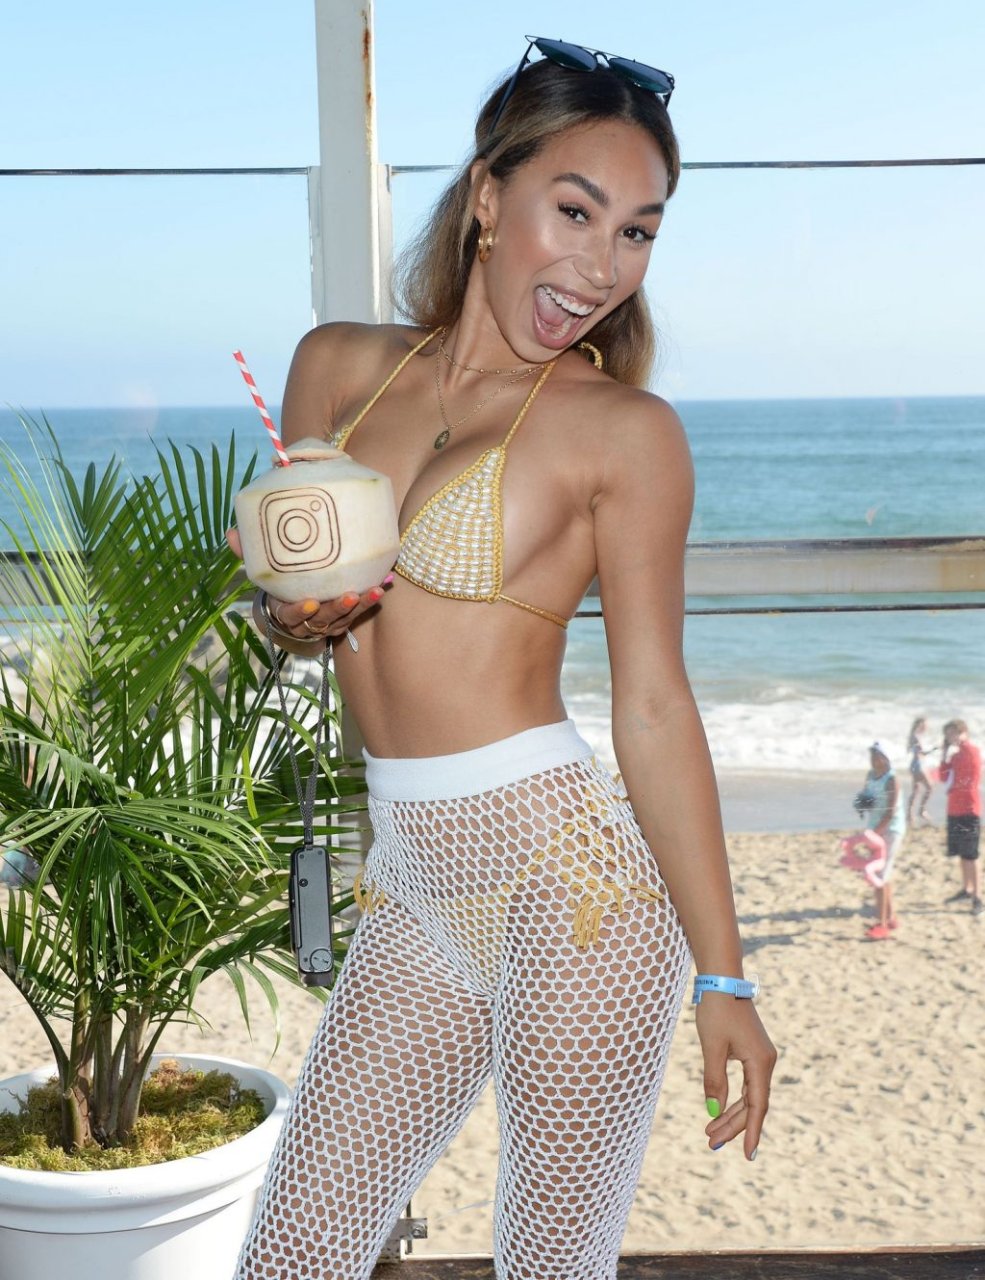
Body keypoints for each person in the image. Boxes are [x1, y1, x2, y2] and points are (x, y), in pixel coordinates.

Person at [228, 38, 775, 1280]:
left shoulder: (624, 434)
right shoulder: (333, 365)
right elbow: (292, 600)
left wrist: (723, 975)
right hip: (411, 877)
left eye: (636, 231)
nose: (601, 265)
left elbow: (652, 703)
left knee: (549, 1261)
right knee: (294, 1250)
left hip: (574, 889)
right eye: (574, 211)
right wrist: (291, 617)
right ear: (487, 194)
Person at [839, 742, 906, 940]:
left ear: (886, 758)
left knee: (879, 876)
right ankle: (891, 918)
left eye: (876, 755)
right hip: (875, 829)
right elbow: (867, 798)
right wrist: (861, 806)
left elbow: (891, 812)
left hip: (891, 830)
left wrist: (875, 834)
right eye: (871, 755)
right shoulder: (871, 775)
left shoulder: (892, 780)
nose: (873, 759)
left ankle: (882, 925)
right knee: (882, 873)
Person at [940, 719, 982, 914]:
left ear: (963, 732)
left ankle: (978, 897)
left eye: (954, 733)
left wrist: (962, 742)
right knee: (961, 853)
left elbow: (972, 772)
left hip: (969, 809)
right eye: (948, 735)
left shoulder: (972, 751)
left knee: (971, 854)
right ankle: (967, 889)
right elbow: (943, 776)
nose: (951, 737)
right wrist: (944, 754)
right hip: (954, 809)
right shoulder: (955, 756)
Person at [905, 715, 935, 824]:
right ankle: (921, 810)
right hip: (918, 765)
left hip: (915, 764)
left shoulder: (913, 736)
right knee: (930, 787)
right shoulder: (916, 736)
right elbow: (922, 752)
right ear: (920, 725)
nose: (926, 727)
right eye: (925, 725)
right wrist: (934, 749)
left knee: (916, 790)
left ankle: (909, 815)